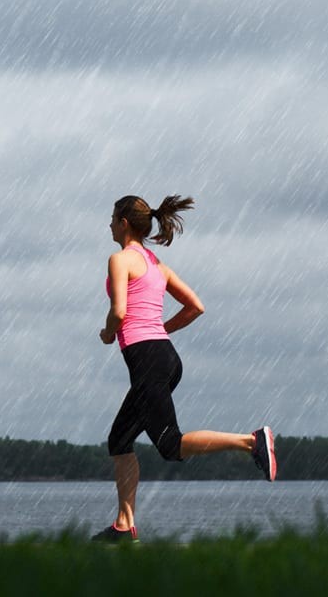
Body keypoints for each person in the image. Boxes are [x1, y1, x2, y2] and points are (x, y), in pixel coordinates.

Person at [91, 194, 276, 544]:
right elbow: (196, 306)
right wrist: (161, 330)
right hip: (164, 357)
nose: (110, 224)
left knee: (170, 444)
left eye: (113, 218)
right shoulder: (157, 265)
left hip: (147, 360)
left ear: (124, 223)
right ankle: (123, 525)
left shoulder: (120, 260)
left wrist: (107, 333)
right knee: (120, 440)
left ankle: (251, 442)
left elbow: (118, 312)